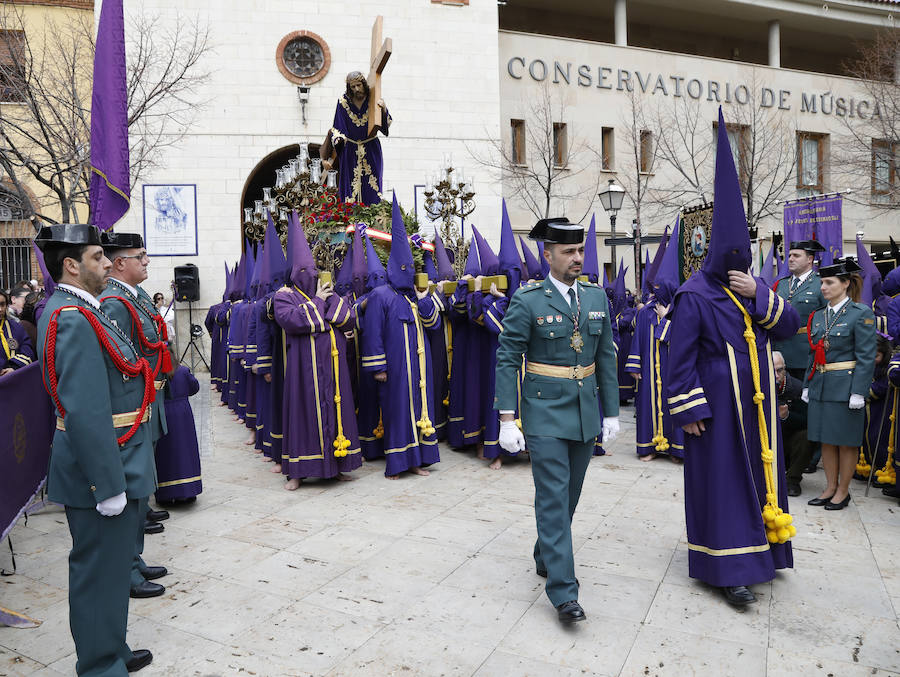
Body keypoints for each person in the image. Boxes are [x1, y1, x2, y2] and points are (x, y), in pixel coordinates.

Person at [666, 109, 800, 608]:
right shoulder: (694, 295)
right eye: (733, 261)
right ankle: (727, 567)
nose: (739, 267)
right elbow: (677, 362)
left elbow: (786, 327)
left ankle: (768, 548)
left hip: (759, 406)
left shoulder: (750, 287)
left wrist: (759, 291)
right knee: (724, 484)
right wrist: (690, 410)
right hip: (719, 408)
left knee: (762, 476)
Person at [35, 223, 155, 675]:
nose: (108, 263)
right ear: (71, 265)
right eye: (98, 256)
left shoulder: (84, 310)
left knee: (110, 570)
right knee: (96, 572)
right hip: (103, 468)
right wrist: (106, 484)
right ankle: (100, 665)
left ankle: (112, 648)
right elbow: (84, 410)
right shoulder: (70, 316)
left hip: (119, 455)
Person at [495, 216, 620, 625]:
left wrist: (613, 413)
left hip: (584, 411)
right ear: (547, 255)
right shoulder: (528, 300)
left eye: (580, 250)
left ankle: (544, 552)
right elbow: (508, 358)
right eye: (568, 252)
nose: (577, 258)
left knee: (570, 496)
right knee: (552, 495)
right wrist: (507, 419)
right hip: (544, 410)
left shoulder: (596, 297)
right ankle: (565, 593)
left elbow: (605, 356)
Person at [99, 232, 171, 600]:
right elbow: (123, 361)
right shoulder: (113, 302)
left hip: (146, 399)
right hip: (133, 405)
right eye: (139, 256)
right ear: (120, 262)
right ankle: (126, 567)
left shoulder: (131, 297)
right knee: (133, 492)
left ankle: (134, 557)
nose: (146, 262)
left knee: (142, 492)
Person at [273, 214, 362, 489]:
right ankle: (299, 472)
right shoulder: (283, 295)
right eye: (304, 272)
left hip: (333, 368)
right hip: (304, 369)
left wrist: (323, 300)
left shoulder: (324, 291)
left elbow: (347, 318)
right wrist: (317, 304)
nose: (309, 276)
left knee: (335, 412)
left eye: (312, 271)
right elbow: (291, 322)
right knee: (303, 415)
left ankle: (337, 466)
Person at [359, 197, 441, 478]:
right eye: (402, 268)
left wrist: (425, 300)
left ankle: (418, 460)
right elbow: (372, 334)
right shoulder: (381, 295)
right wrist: (379, 367)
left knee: (420, 410)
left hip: (419, 370)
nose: (408, 273)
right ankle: (397, 463)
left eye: (411, 268)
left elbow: (434, 325)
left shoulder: (415, 298)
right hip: (394, 369)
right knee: (396, 412)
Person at [803, 258, 877, 510]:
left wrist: (859, 391)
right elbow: (812, 353)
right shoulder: (819, 316)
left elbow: (866, 357)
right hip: (820, 384)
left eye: (828, 282)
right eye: (822, 282)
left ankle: (842, 491)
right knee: (826, 439)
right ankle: (830, 487)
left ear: (845, 284)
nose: (823, 287)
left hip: (845, 388)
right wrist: (806, 384)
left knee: (845, 441)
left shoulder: (861, 313)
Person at [321, 71, 391, 205]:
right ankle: (350, 217)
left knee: (373, 185)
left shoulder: (373, 99)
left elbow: (385, 125)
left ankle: (373, 213)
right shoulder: (343, 101)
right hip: (350, 149)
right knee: (350, 186)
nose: (357, 89)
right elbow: (337, 127)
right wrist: (337, 142)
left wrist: (383, 108)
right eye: (353, 87)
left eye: (358, 85)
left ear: (364, 84)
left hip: (371, 148)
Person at [154, 346, 202, 505]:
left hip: (163, 413)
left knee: (165, 453)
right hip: (183, 414)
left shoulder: (156, 373)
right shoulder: (182, 371)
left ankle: (166, 494)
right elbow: (194, 387)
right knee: (185, 451)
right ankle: (188, 492)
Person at [774, 241, 827, 379]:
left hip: (805, 355)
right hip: (779, 353)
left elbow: (827, 318)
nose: (790, 259)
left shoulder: (820, 283)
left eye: (796, 255)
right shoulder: (781, 283)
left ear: (810, 259)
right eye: (790, 255)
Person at [773, 350, 812, 497]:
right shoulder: (753, 387)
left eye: (779, 370)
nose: (776, 375)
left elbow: (807, 421)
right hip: (762, 441)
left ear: (785, 369)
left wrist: (787, 416)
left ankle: (792, 480)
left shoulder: (797, 388)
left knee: (808, 436)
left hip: (788, 442)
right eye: (771, 370)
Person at [0, 289, 35, 376]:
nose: (0, 309)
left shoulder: (16, 327)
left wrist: (13, 367)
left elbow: (27, 348)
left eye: (2, 304)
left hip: (14, 377)